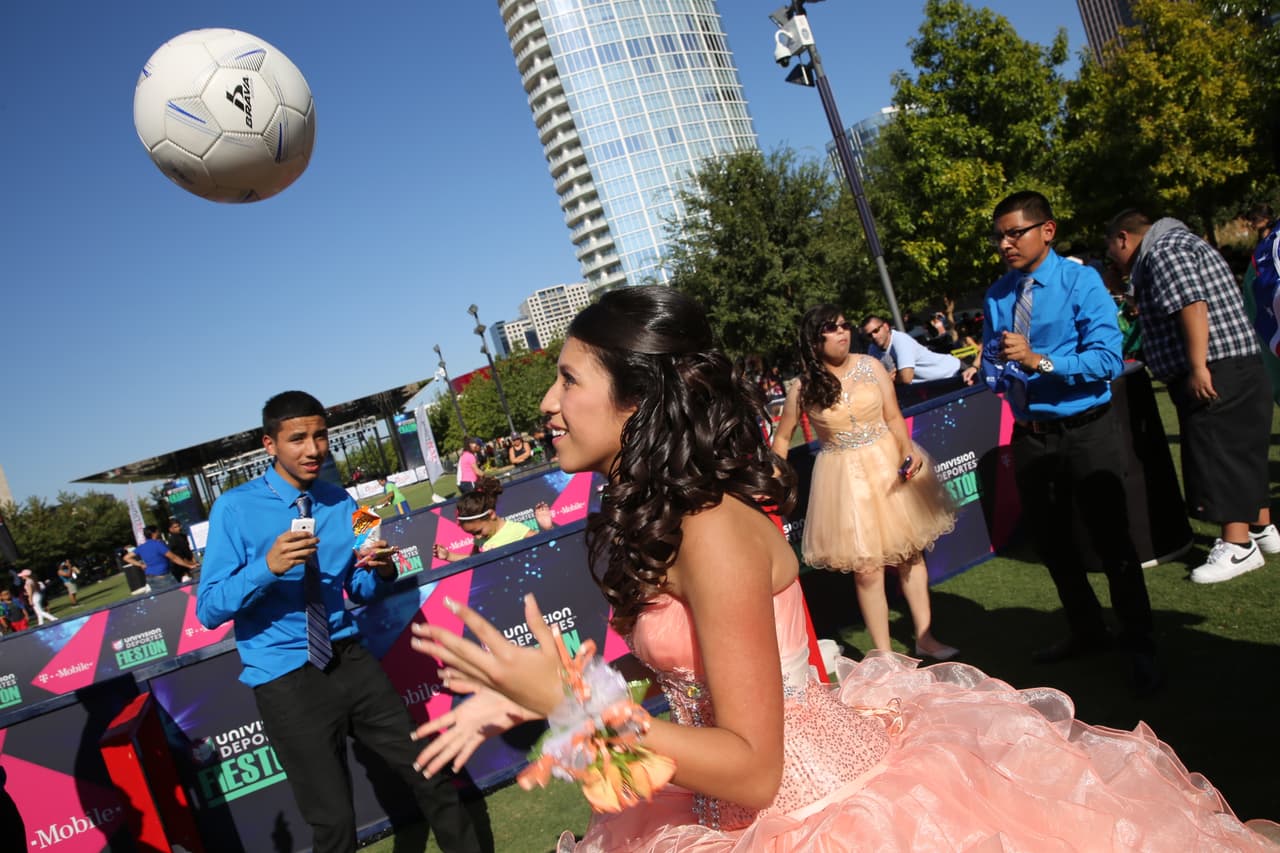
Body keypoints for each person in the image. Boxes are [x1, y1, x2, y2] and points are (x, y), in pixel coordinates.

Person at [404, 286, 1279, 851]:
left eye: (567, 380)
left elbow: (754, 769)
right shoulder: (658, 519)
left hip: (825, 814)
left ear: (641, 399)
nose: (547, 403)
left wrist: (577, 709)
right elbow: (689, 686)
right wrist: (543, 696)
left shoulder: (710, 530)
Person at [196, 391, 482, 853]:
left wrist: (383, 569)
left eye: (320, 436)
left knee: (430, 771)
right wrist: (266, 567)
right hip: (285, 680)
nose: (313, 449)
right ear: (270, 444)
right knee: (333, 824)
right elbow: (208, 609)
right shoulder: (233, 508)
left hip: (350, 658)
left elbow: (361, 587)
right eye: (298, 439)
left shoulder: (346, 502)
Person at [983, 191, 1161, 695]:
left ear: (1048, 230)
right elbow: (994, 362)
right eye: (999, 236)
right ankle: (1087, 630)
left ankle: (1140, 644)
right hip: (1030, 436)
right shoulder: (998, 295)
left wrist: (1039, 361)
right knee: (1052, 544)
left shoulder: (1081, 282)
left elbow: (1107, 360)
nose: (1005, 244)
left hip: (1087, 429)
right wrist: (995, 370)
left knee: (1112, 540)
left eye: (1014, 233)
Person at [772, 305, 958, 660]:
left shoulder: (871, 366)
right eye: (831, 328)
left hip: (890, 467)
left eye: (844, 325)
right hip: (844, 480)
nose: (842, 332)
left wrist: (908, 451)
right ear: (814, 339)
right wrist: (774, 476)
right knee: (867, 571)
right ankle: (884, 656)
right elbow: (782, 438)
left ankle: (925, 638)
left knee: (910, 555)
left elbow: (894, 417)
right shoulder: (803, 387)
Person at [1106, 209, 1279, 582]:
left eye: (1111, 252)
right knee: (1243, 449)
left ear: (1123, 238)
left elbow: (1192, 304)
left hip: (1216, 366)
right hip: (1235, 364)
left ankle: (1238, 545)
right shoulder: (1179, 244)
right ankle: (1261, 528)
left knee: (1221, 452)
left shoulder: (1164, 250)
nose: (1113, 261)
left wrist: (1198, 366)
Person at [432, 476, 553, 563]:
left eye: (478, 531)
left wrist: (549, 529)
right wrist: (448, 556)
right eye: (473, 534)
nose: (477, 537)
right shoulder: (480, 539)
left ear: (491, 515)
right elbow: (474, 559)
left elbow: (549, 549)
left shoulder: (516, 530)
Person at [861, 313, 977, 388]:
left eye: (876, 330)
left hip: (954, 373)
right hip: (934, 385)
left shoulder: (900, 340)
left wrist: (889, 379)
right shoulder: (873, 349)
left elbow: (906, 378)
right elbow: (874, 380)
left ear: (886, 326)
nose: (874, 336)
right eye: (869, 335)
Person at [125, 525, 196, 593]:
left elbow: (126, 558)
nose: (159, 533)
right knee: (177, 595)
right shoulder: (158, 544)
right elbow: (174, 557)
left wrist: (140, 565)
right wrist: (189, 565)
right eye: (158, 531)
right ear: (154, 533)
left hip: (150, 577)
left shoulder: (141, 547)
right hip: (163, 577)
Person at [165, 519, 197, 583]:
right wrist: (189, 563)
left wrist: (193, 560)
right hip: (180, 567)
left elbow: (188, 550)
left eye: (178, 526)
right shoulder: (173, 540)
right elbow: (178, 555)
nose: (178, 528)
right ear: (170, 529)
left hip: (189, 563)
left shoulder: (183, 536)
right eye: (175, 527)